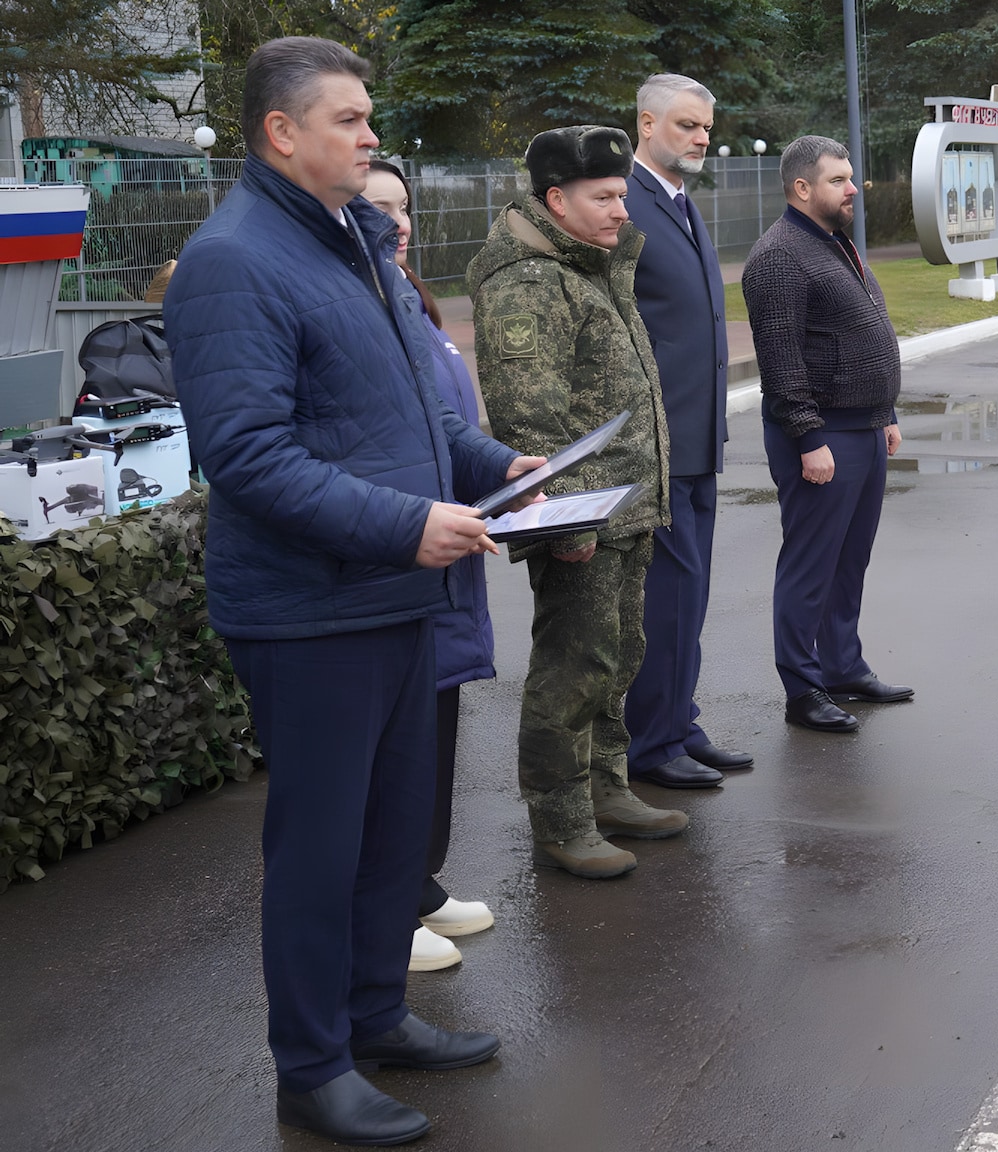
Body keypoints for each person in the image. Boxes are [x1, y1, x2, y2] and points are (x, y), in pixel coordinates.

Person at [166, 36, 534, 1146]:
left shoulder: (352, 241)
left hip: (389, 595)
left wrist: (498, 467)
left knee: (389, 838)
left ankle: (377, 1015)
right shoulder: (236, 260)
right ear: (282, 133)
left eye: (369, 117)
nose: (373, 136)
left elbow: (406, 415)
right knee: (320, 851)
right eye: (350, 119)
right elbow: (247, 457)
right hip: (311, 612)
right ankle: (313, 1066)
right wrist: (407, 525)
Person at [469, 125, 685, 880]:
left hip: (624, 506)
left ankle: (606, 788)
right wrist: (565, 521)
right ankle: (562, 820)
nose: (622, 210)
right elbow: (529, 421)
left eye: (623, 195)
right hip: (583, 516)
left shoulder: (590, 263)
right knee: (573, 664)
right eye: (605, 197)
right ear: (556, 200)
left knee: (618, 655)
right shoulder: (529, 281)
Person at [363, 159, 498, 973]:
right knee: (392, 750)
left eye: (405, 206)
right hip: (400, 549)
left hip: (446, 548)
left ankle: (417, 882)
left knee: (434, 732)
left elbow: (446, 424)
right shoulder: (362, 301)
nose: (400, 222)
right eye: (380, 206)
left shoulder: (410, 297)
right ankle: (386, 905)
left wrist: (503, 469)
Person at [741, 134, 913, 735]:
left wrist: (884, 412)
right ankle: (803, 687)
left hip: (862, 426)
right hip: (821, 436)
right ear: (801, 188)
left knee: (849, 561)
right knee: (811, 566)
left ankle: (842, 666)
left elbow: (862, 330)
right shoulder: (779, 256)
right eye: (838, 180)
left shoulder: (834, 242)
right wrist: (809, 438)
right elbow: (781, 360)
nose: (853, 189)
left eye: (851, 177)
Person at [619, 73, 753, 790]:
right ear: (647, 124)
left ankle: (680, 722)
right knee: (668, 597)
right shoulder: (624, 200)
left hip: (698, 438)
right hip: (658, 441)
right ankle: (652, 743)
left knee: (690, 595)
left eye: (706, 127)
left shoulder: (677, 199)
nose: (702, 138)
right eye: (686, 125)